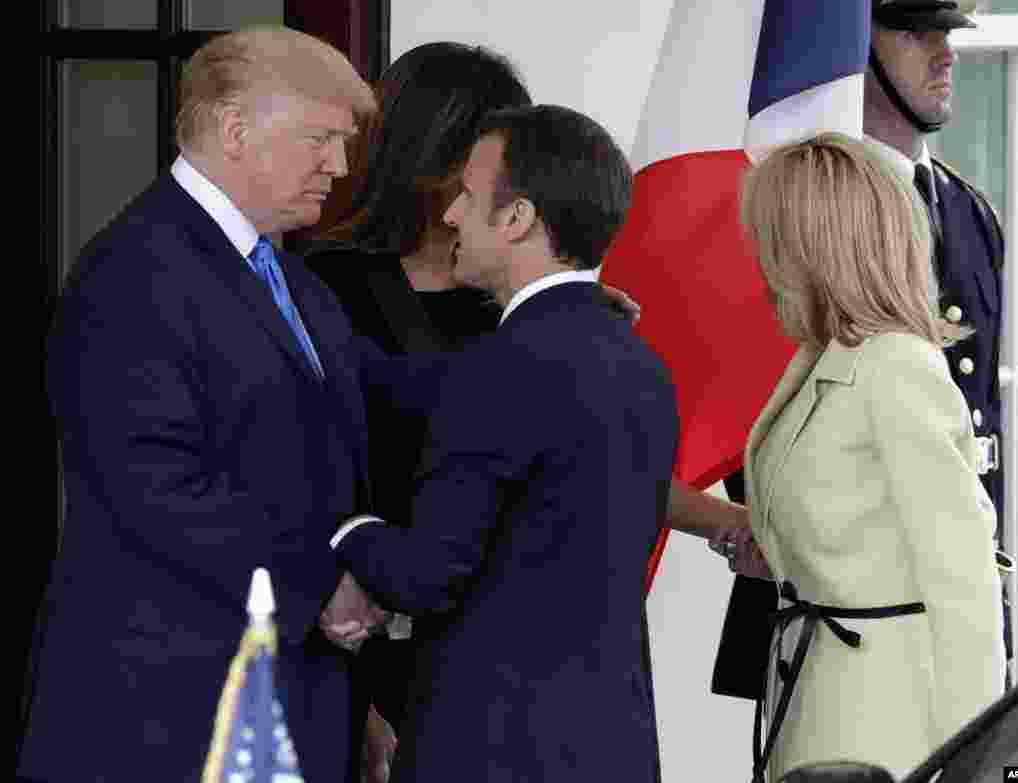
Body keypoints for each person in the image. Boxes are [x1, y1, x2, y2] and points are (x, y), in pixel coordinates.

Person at [19, 26, 392, 783]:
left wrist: (557, 326)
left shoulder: (286, 276)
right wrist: (320, 586)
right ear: (234, 130)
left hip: (269, 702)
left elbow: (385, 390)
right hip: (165, 718)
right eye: (320, 138)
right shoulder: (132, 272)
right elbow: (156, 488)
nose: (339, 164)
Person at [324, 104, 679, 783]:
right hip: (612, 747)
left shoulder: (499, 369)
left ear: (517, 218)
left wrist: (347, 531)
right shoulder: (641, 364)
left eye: (468, 194)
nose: (451, 213)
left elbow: (426, 575)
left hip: (495, 751)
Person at [710, 0, 1009, 703]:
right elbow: (749, 393)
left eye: (947, 31)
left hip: (947, 591)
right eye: (914, 30)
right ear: (851, 43)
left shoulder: (970, 212)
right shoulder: (794, 215)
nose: (944, 53)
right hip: (840, 606)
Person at [739, 131, 1003, 782]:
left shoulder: (896, 367)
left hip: (886, 725)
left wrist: (970, 765)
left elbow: (964, 584)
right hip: (815, 703)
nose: (760, 262)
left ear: (815, 248)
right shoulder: (825, 356)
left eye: (771, 241)